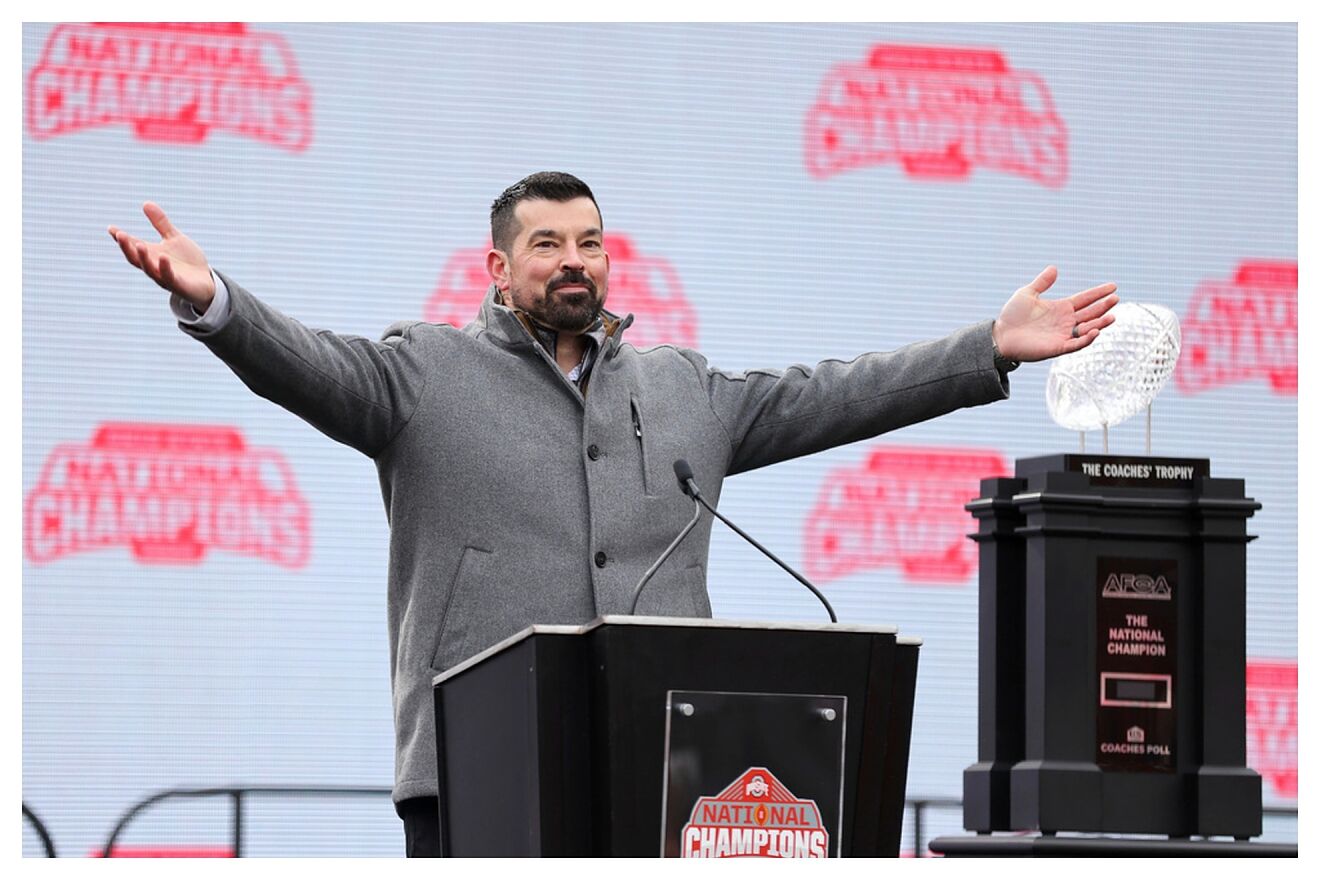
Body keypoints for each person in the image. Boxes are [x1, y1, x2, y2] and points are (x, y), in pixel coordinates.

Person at [109, 171, 1117, 856]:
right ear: (496, 268)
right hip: (479, 773)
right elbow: (308, 366)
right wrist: (217, 304)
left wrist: (987, 347)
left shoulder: (682, 389)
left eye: (589, 242)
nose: (574, 260)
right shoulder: (425, 374)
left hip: (669, 768)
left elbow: (837, 393)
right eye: (546, 243)